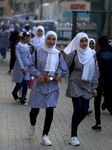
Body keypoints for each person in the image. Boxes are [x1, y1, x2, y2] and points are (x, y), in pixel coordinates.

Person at [28, 31, 68, 146]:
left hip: (52, 87)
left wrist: (59, 73)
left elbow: (64, 69)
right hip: (39, 86)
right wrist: (39, 74)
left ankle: (45, 135)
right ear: (45, 39)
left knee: (50, 111)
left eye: (53, 39)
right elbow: (30, 66)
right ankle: (32, 123)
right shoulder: (38, 53)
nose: (51, 41)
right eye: (49, 39)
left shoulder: (58, 54)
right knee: (34, 111)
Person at [64, 32, 99, 146]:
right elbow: (64, 66)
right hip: (75, 83)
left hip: (87, 85)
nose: (84, 43)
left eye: (86, 41)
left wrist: (94, 86)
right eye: (82, 41)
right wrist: (57, 75)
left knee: (84, 111)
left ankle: (74, 123)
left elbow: (95, 71)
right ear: (77, 42)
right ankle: (73, 136)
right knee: (78, 108)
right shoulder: (74, 54)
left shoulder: (92, 54)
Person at [92, 35, 112, 130]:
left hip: (99, 82)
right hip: (110, 81)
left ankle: (98, 123)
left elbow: (94, 70)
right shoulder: (111, 54)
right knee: (108, 101)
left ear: (98, 44)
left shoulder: (97, 56)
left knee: (97, 102)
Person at [12, 32, 31, 105]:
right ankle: (14, 92)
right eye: (28, 37)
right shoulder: (18, 46)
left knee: (26, 83)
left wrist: (30, 65)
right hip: (20, 67)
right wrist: (22, 68)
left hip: (26, 67)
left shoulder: (27, 46)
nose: (29, 39)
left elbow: (29, 56)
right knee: (19, 83)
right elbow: (18, 57)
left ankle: (23, 98)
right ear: (25, 37)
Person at [88, 38, 96, 114]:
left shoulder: (94, 53)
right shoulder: (85, 52)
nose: (91, 45)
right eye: (89, 43)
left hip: (92, 75)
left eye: (92, 43)